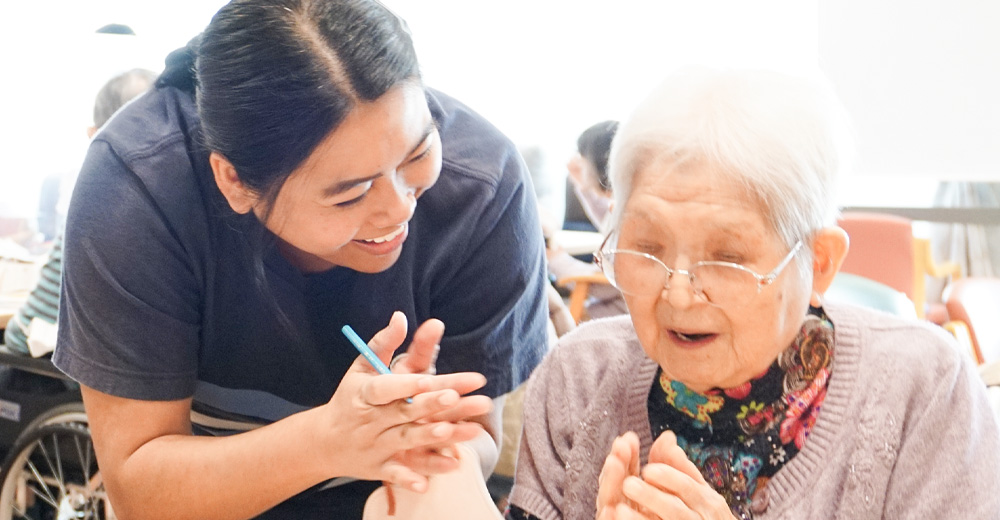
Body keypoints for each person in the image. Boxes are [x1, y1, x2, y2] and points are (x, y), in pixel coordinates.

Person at [52, 1, 549, 518]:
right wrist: (326, 441)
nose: (399, 207)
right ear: (234, 182)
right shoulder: (139, 187)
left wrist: (429, 440)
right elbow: (139, 489)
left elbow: (481, 434)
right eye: (350, 194)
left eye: (417, 155)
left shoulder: (484, 187)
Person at [507, 68, 1000, 519]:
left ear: (819, 263)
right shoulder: (579, 379)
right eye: (648, 247)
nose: (677, 295)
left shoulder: (925, 389)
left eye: (726, 257)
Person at [5, 68, 157, 356]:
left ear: (96, 134)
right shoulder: (163, 204)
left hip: (56, 363)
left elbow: (30, 328)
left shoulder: (101, 196)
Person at [547, 121, 627, 321]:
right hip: (613, 309)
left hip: (614, 316)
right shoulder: (624, 204)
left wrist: (556, 260)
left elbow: (602, 284)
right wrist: (582, 184)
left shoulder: (629, 213)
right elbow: (607, 222)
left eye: (582, 159)